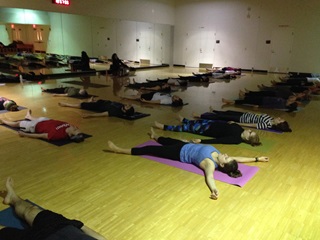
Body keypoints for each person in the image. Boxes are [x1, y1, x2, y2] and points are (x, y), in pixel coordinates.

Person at [107, 128, 269, 200]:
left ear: (223, 165)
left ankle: (119, 150)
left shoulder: (210, 164)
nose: (226, 155)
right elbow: (239, 158)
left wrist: (214, 189)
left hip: (178, 153)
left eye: (226, 158)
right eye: (228, 156)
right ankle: (155, 135)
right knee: (166, 140)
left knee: (150, 149)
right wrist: (256, 159)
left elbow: (209, 177)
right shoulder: (220, 157)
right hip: (185, 144)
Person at [0, 177, 106, 240]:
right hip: (61, 227)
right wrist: (79, 225)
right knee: (31, 210)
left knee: (4, 233)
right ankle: (12, 198)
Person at [154, 116, 261, 146]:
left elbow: (220, 140)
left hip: (207, 130)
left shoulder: (236, 139)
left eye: (250, 133)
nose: (249, 130)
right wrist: (233, 123)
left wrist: (202, 141)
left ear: (247, 138)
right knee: (196, 121)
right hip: (212, 123)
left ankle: (164, 127)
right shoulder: (241, 129)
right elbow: (233, 125)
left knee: (187, 128)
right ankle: (184, 120)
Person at [0, 109, 85, 142]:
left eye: (75, 129)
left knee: (17, 123)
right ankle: (28, 116)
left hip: (34, 126)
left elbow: (41, 135)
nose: (75, 127)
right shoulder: (68, 126)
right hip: (46, 120)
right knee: (38, 118)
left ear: (70, 134)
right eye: (77, 128)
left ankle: (3, 121)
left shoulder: (58, 135)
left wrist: (24, 134)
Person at [193, 108, 292, 132]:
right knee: (229, 111)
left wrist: (237, 123)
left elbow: (252, 125)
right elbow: (259, 115)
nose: (279, 118)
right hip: (245, 114)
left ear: (277, 124)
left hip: (241, 118)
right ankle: (214, 110)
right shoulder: (271, 119)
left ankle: (200, 116)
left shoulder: (267, 124)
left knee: (222, 117)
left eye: (280, 120)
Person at [58, 97, 135, 118]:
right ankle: (91, 101)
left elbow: (103, 114)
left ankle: (66, 104)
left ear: (125, 111)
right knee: (92, 101)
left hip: (98, 106)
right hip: (103, 102)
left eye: (128, 107)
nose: (127, 105)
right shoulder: (121, 106)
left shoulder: (116, 112)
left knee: (81, 105)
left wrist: (90, 115)